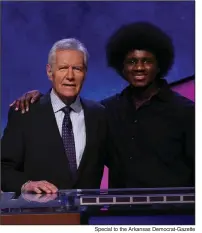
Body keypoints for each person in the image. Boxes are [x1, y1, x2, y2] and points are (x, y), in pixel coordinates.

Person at [9, 22, 195, 188]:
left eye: (147, 61)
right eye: (131, 62)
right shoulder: (107, 110)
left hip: (173, 214)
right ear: (121, 67)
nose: (139, 68)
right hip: (118, 216)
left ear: (160, 65)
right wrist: (39, 99)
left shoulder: (186, 112)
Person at [1, 38, 107, 194]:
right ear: (50, 72)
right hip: (39, 215)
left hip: (87, 216)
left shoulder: (99, 114)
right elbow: (3, 167)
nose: (70, 76)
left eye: (77, 68)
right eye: (63, 68)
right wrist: (25, 185)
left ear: (85, 73)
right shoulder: (25, 114)